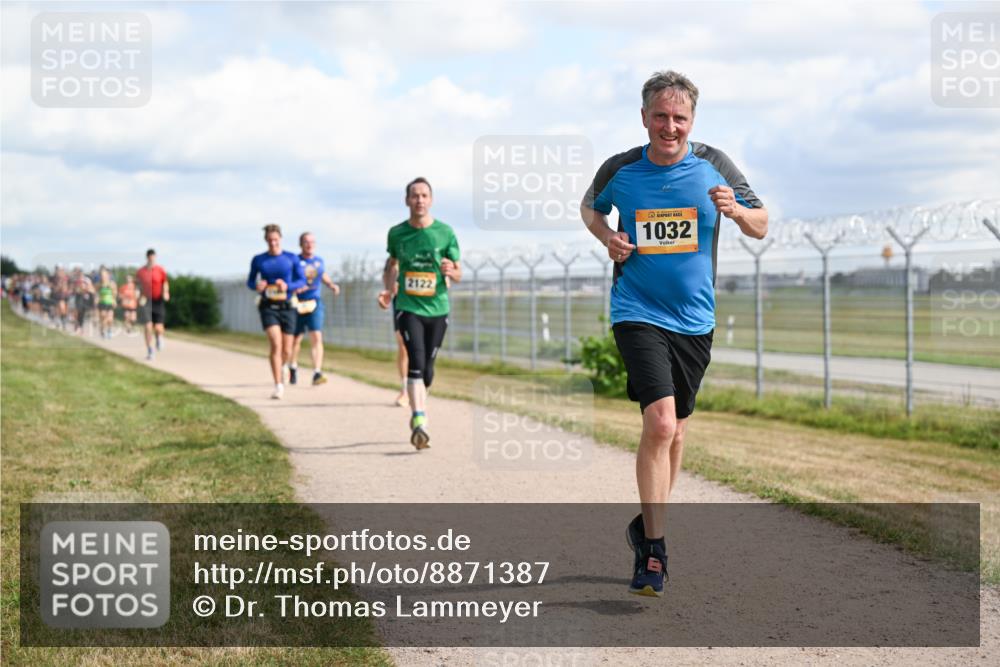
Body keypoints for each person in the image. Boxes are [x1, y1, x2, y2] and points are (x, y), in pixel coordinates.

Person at [581, 70, 768, 597]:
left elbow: (762, 222)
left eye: (679, 117)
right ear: (644, 118)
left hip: (694, 320)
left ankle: (648, 523)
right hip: (636, 310)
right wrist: (609, 236)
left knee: (678, 431)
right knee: (661, 424)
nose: (670, 126)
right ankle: (655, 552)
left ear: (692, 120)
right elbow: (589, 208)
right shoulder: (621, 169)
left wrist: (736, 211)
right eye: (660, 116)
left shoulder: (715, 165)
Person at [377, 177, 461, 449]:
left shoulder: (445, 233)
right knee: (415, 359)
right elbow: (392, 265)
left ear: (431, 200)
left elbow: (458, 272)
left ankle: (419, 402)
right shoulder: (397, 233)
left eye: (424, 195)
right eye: (415, 196)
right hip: (408, 307)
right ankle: (419, 420)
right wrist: (389, 291)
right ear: (407, 200)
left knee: (428, 370)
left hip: (438, 308)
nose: (420, 200)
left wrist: (452, 271)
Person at [247, 224, 306, 399]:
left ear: (280, 239)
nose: (273, 243)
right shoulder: (259, 259)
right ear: (266, 240)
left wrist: (288, 286)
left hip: (287, 305)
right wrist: (257, 286)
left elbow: (301, 280)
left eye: (276, 239)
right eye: (270, 240)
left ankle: (284, 365)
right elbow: (250, 282)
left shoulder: (291, 258)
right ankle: (278, 385)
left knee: (287, 350)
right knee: (275, 344)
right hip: (268, 305)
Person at [289, 232, 341, 386]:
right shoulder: (295, 261)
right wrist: (294, 289)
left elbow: (322, 274)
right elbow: (289, 279)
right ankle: (293, 366)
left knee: (316, 337)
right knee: (295, 339)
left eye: (312, 242)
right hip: (298, 303)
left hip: (314, 302)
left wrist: (331, 285)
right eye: (306, 242)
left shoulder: (319, 261)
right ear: (301, 244)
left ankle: (317, 372)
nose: (309, 244)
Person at [136, 249, 170, 360]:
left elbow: (165, 282)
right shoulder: (141, 272)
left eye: (153, 257)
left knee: (159, 328)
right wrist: (138, 296)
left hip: (158, 300)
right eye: (150, 257)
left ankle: (159, 337)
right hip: (146, 300)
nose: (152, 259)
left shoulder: (160, 270)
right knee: (148, 326)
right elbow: (137, 286)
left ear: (155, 257)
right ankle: (150, 350)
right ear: (147, 257)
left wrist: (165, 292)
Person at [96, 267, 118, 339]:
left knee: (110, 319)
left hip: (110, 302)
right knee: (103, 317)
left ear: (108, 275)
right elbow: (96, 293)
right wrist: (96, 299)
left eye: (104, 275)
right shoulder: (99, 284)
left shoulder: (112, 283)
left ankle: (109, 330)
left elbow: (115, 293)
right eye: (102, 275)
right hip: (102, 303)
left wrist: (114, 300)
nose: (103, 277)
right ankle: (102, 330)